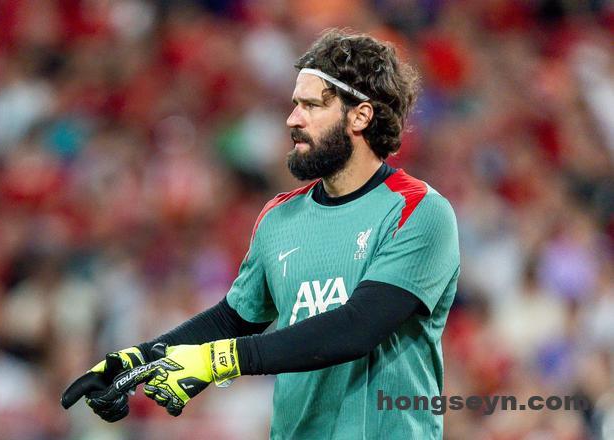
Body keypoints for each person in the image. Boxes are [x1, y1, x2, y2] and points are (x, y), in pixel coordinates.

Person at [61, 29, 460, 439]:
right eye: (295, 104)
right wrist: (136, 360)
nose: (293, 119)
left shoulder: (419, 210)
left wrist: (219, 361)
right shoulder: (279, 217)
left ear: (360, 116)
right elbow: (233, 319)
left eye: (311, 106)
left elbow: (357, 327)